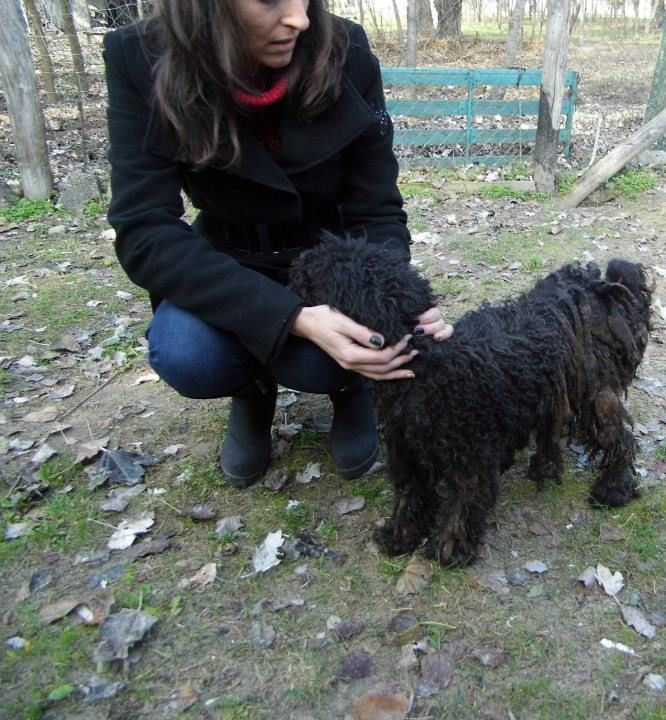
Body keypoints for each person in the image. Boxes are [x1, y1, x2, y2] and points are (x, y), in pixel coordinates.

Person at [103, 0, 452, 486]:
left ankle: (350, 387)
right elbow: (145, 229)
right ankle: (251, 391)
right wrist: (292, 318)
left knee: (325, 362)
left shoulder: (344, 48)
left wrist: (398, 298)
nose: (299, 19)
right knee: (189, 355)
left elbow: (376, 209)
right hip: (227, 261)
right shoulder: (140, 57)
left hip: (330, 263)